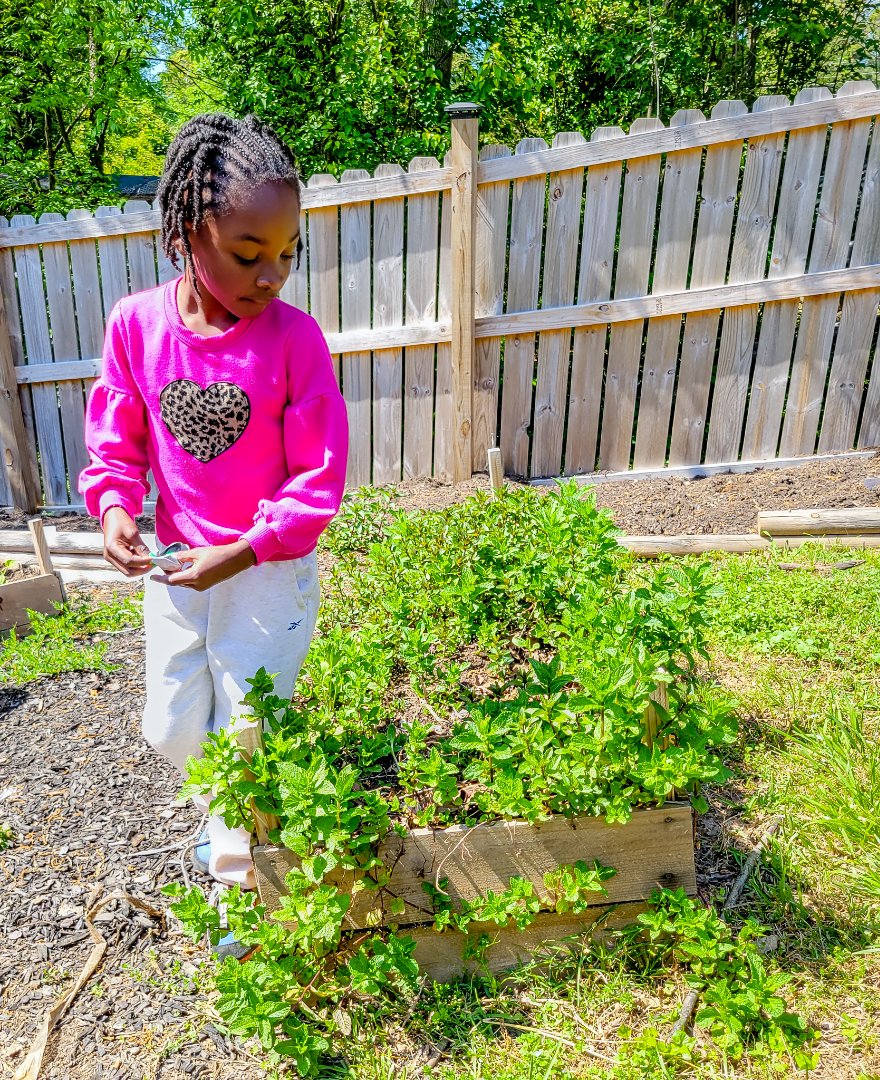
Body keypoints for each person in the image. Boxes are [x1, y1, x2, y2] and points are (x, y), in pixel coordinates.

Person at [79, 113, 349, 900]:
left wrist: (242, 551)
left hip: (266, 572)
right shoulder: (136, 326)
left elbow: (318, 478)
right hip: (175, 564)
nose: (273, 275)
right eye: (248, 253)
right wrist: (114, 511)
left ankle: (242, 886)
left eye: (287, 254)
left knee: (247, 734)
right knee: (168, 725)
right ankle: (224, 813)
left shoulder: (296, 342)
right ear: (187, 234)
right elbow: (116, 443)